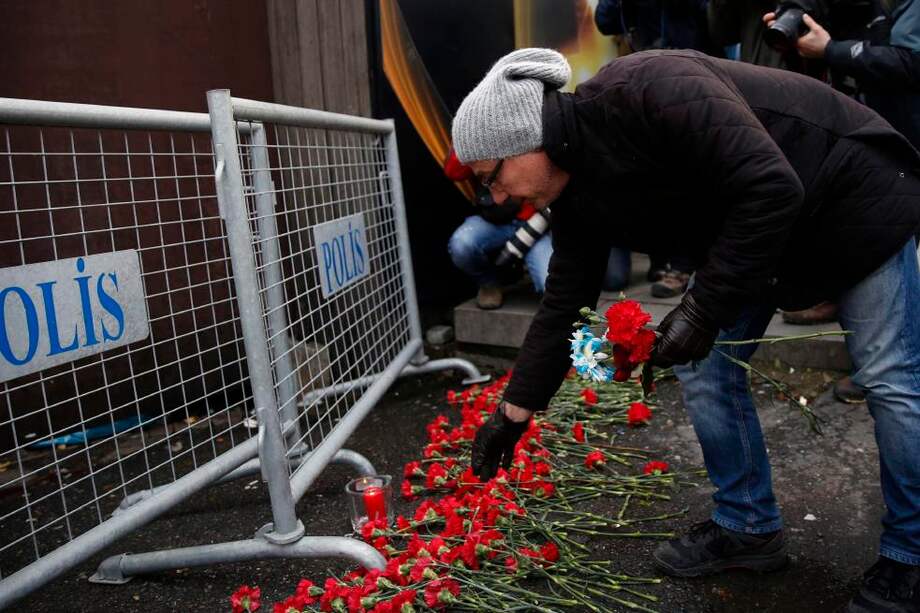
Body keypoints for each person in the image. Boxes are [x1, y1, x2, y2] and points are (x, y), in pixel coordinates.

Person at [456, 48, 920, 612]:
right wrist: (512, 414)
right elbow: (563, 304)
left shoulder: (651, 86)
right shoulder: (575, 191)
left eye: (493, 177)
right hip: (763, 232)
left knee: (890, 379)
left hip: (851, 195)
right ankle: (747, 526)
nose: (498, 197)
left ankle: (911, 556)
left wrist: (699, 311)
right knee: (707, 367)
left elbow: (772, 187)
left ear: (526, 138)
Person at [595, 0, 721, 297]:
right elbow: (605, 21)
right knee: (653, 171)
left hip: (691, 79)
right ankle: (662, 256)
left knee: (691, 174)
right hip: (645, 80)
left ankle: (683, 264)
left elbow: (715, 23)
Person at [446, 157, 632, 309]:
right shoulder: (483, 137)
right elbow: (454, 171)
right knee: (462, 244)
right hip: (496, 219)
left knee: (555, 287)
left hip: (542, 223)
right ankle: (488, 283)